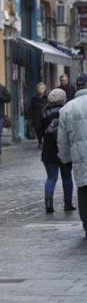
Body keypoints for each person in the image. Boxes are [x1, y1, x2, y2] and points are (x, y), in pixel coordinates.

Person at [57, 73, 87, 238]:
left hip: (80, 158)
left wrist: (65, 158)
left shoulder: (68, 108)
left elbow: (62, 140)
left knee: (83, 188)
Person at [40, 89, 75, 213]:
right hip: (63, 147)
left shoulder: (44, 112)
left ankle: (49, 204)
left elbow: (40, 130)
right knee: (67, 177)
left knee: (51, 178)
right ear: (62, 98)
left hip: (48, 149)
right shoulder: (66, 110)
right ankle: (68, 203)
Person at [28, 82, 49, 147]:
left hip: (45, 117)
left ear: (44, 89)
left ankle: (45, 142)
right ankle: (40, 142)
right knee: (38, 130)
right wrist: (30, 117)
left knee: (44, 130)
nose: (40, 89)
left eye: (42, 88)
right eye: (39, 88)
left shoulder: (47, 97)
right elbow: (30, 108)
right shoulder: (34, 98)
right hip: (36, 117)